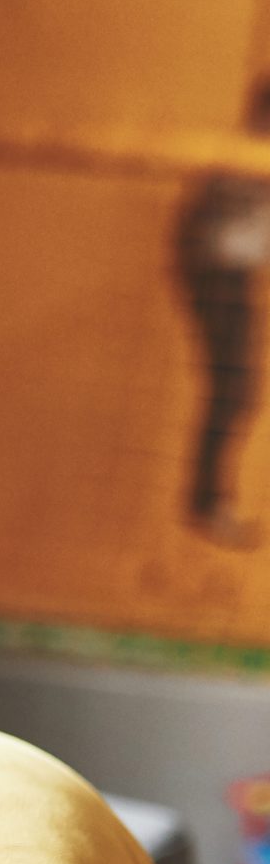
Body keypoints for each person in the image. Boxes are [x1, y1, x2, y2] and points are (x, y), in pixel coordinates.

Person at [174, 78, 270, 548]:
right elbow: (194, 226)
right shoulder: (246, 155)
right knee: (235, 391)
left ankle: (209, 502)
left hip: (226, 274)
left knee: (237, 392)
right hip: (219, 274)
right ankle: (208, 502)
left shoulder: (245, 155)